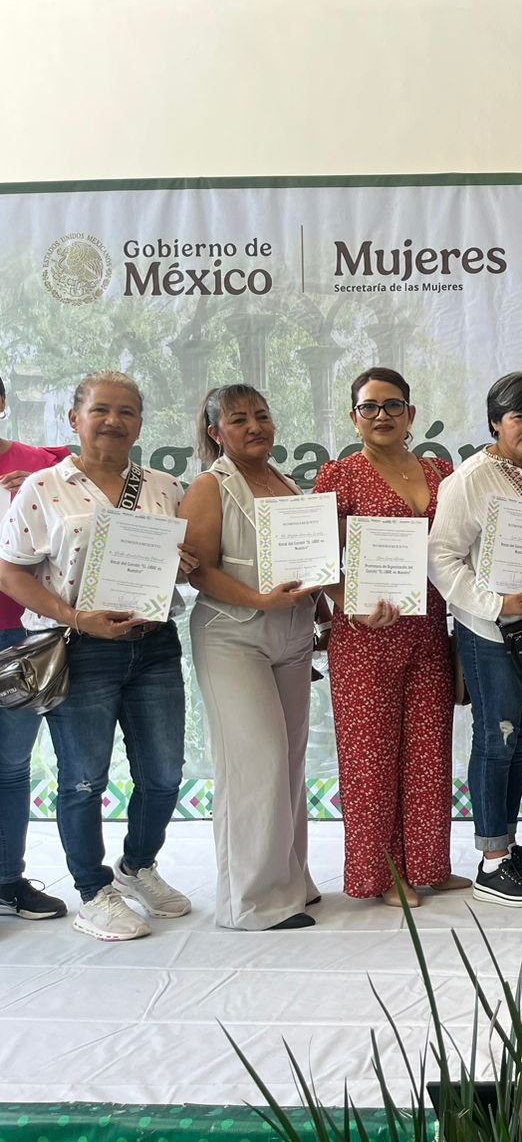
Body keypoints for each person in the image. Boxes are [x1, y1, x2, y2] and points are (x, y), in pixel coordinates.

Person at [0, 371, 197, 941]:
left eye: (127, 411)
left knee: (164, 774)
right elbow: (11, 572)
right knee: (84, 778)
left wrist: (185, 563)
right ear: (74, 419)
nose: (114, 421)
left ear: (140, 423)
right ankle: (92, 890)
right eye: (101, 410)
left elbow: (183, 565)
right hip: (81, 648)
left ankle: (138, 866)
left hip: (153, 645)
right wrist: (75, 617)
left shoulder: (164, 487)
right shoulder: (43, 487)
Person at [315, 367, 466, 909]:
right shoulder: (340, 476)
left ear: (411, 414)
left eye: (393, 405)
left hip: (429, 630)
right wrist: (348, 602)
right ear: (353, 417)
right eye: (369, 406)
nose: (382, 415)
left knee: (429, 754)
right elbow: (315, 561)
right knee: (371, 761)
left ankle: (428, 865)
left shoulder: (441, 472)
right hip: (365, 638)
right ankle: (382, 875)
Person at [180, 385, 323, 930]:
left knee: (288, 761)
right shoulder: (208, 485)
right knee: (256, 763)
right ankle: (252, 902)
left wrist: (324, 614)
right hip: (232, 637)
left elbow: (307, 566)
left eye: (262, 415)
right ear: (215, 432)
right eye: (238, 419)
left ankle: (290, 880)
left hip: (293, 636)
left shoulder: (287, 483)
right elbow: (198, 570)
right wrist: (261, 601)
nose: (255, 426)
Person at [428, 372, 522, 906]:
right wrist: (494, 603)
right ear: (494, 422)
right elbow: (441, 557)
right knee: (496, 740)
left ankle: (506, 846)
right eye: (519, 417)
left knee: (519, 740)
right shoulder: (470, 478)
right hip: (490, 633)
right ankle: (490, 863)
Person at [0, 376, 71, 923]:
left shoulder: (46, 466)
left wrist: (41, 493)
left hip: (19, 635)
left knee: (9, 763)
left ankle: (7, 881)